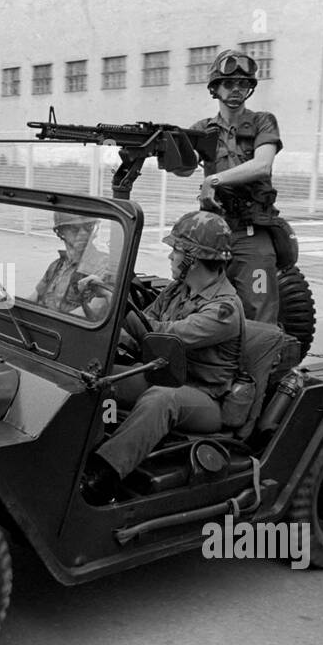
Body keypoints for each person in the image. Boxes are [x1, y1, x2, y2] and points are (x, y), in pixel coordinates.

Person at [80, 211, 242, 505]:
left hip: (203, 396)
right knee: (94, 377)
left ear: (192, 258)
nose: (170, 257)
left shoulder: (224, 310)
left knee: (161, 399)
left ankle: (101, 477)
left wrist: (117, 302)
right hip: (162, 374)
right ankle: (73, 450)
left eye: (176, 250)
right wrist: (99, 319)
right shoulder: (177, 290)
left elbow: (160, 335)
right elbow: (139, 334)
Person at [186, 50, 285, 324]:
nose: (236, 91)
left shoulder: (262, 121)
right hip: (213, 234)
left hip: (253, 235)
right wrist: (163, 148)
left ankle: (260, 365)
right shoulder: (203, 129)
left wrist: (213, 180)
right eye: (229, 84)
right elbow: (182, 168)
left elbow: (262, 165)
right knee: (203, 304)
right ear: (215, 89)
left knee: (260, 306)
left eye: (243, 84)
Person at [31, 212, 114, 320]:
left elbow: (97, 308)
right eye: (75, 229)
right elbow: (32, 299)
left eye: (88, 227)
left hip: (73, 332)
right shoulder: (57, 266)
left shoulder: (104, 266)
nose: (83, 233)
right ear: (61, 232)